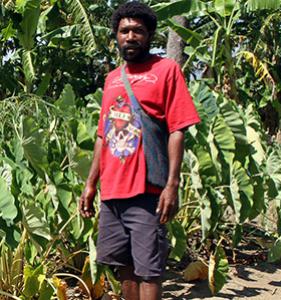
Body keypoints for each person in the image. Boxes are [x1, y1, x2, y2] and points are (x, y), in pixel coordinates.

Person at [79, 1, 200, 299]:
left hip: (148, 191)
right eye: (124, 31)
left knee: (149, 271)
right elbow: (102, 136)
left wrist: (172, 185)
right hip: (113, 193)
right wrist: (91, 184)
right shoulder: (111, 79)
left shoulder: (165, 70)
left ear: (149, 35)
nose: (130, 37)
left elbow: (177, 129)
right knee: (124, 269)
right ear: (116, 35)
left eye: (138, 31)